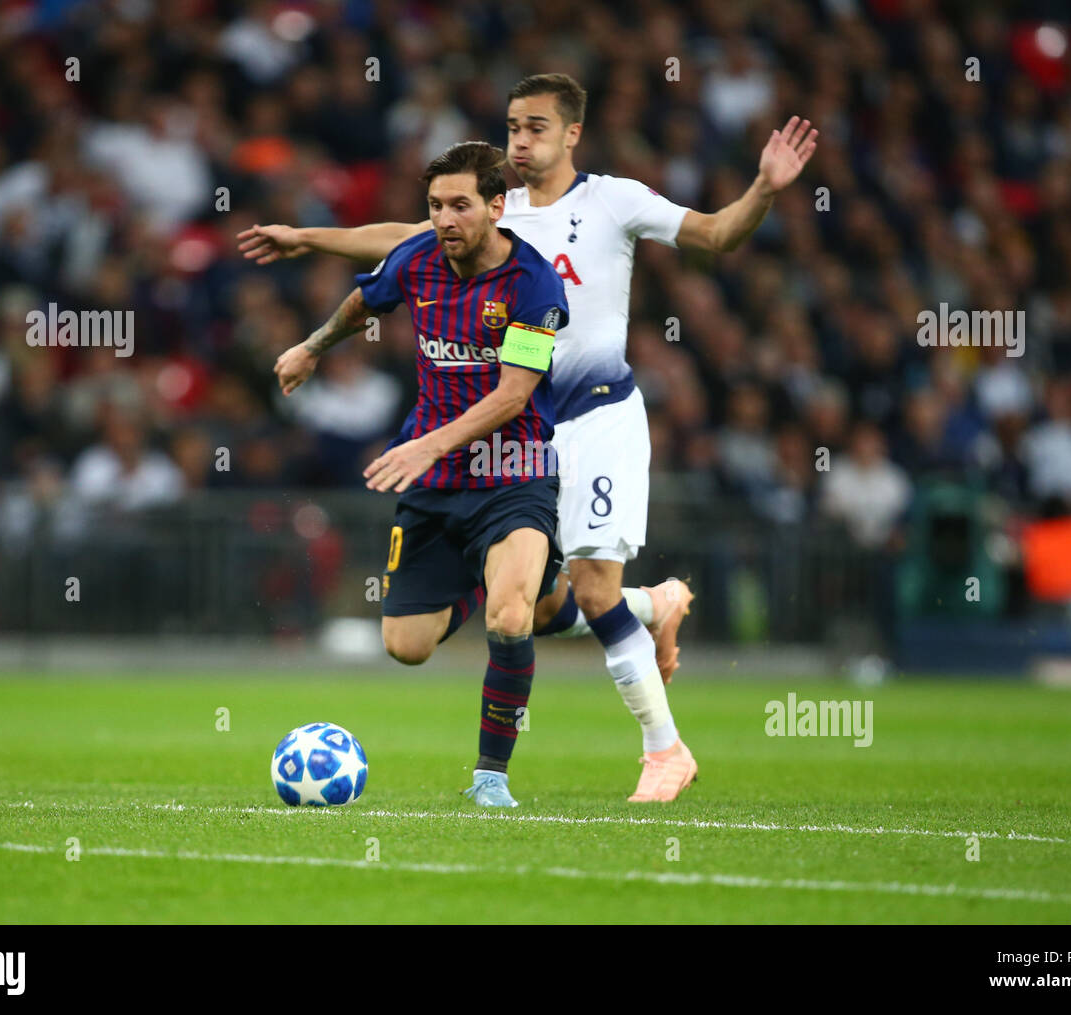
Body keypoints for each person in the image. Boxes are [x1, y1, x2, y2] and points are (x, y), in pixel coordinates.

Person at [241, 73, 818, 801]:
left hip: (593, 415)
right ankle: (653, 605)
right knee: (539, 610)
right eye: (513, 125)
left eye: (536, 127)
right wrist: (307, 238)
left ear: (572, 133)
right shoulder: (490, 209)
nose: (520, 139)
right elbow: (400, 244)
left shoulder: (615, 199)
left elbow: (717, 233)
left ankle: (662, 748)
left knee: (584, 587)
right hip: (506, 437)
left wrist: (764, 188)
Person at [272, 142, 568, 808]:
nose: (444, 218)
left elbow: (515, 393)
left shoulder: (533, 283)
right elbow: (362, 303)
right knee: (406, 645)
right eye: (435, 205)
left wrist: (428, 443)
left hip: (513, 471)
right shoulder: (417, 260)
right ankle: (514, 578)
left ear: (496, 206)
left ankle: (491, 778)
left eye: (460, 204)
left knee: (511, 614)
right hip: (436, 486)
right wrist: (311, 349)